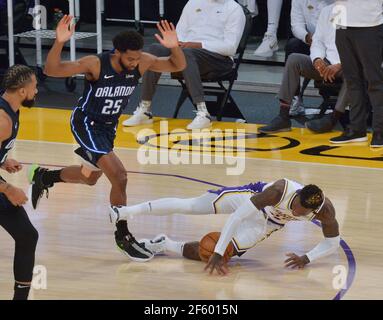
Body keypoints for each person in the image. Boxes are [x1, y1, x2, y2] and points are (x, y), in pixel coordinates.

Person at [28, 16, 186, 262]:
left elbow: (176, 64)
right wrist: (59, 42)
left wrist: (173, 45)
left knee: (88, 178)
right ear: (117, 53)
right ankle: (123, 235)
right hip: (86, 124)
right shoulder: (96, 63)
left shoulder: (142, 62)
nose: (135, 63)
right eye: (130, 58)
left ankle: (44, 176)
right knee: (120, 176)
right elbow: (51, 70)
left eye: (137, 57)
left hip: (108, 128)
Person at [110, 178, 340, 274]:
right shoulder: (278, 191)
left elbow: (333, 241)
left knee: (220, 252)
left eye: (305, 212)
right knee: (192, 206)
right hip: (249, 198)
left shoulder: (325, 212)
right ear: (298, 195)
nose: (299, 213)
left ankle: (164, 244)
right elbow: (237, 218)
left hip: (269, 222)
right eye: (298, 207)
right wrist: (218, 251)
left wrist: (307, 258)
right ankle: (126, 211)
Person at [122, 0, 246, 130]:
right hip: (188, 52)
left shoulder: (234, 9)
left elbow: (230, 47)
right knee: (155, 49)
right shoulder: (193, 3)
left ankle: (204, 113)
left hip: (219, 59)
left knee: (186, 53)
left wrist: (198, 44)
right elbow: (180, 33)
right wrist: (174, 43)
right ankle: (145, 109)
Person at [258, 3, 348, 134]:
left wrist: (339, 64)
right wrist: (318, 59)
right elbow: (318, 41)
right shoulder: (327, 11)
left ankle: (333, 118)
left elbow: (359, 49)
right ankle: (284, 116)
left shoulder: (358, 13)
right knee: (294, 59)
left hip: (348, 64)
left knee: (354, 72)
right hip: (327, 61)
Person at [0, 64, 39, 299]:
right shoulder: (2, 119)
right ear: (22, 91)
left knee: (27, 235)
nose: (36, 92)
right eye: (34, 87)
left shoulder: (12, 110)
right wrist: (7, 188)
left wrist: (3, 160)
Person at [329, 0, 383, 147]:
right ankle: (357, 129)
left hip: (369, 23)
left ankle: (380, 131)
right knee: (352, 79)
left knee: (375, 81)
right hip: (341, 20)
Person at [287, 0, 335, 116]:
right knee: (293, 45)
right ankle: (295, 97)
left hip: (334, 42)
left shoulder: (337, 4)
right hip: (311, 40)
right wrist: (307, 37)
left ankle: (340, 99)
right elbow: (296, 25)